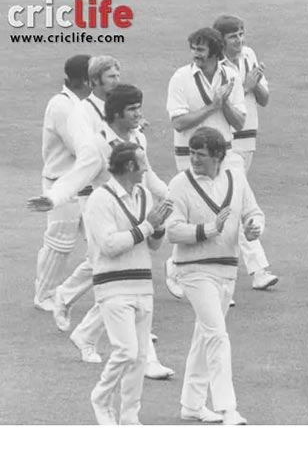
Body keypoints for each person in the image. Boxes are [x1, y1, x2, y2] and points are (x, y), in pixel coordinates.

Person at [27, 78, 174, 379]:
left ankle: (83, 332)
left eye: (138, 108)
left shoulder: (138, 140)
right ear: (116, 113)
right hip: (107, 219)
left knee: (120, 287)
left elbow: (150, 178)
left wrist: (176, 197)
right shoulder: (96, 145)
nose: (138, 114)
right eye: (132, 109)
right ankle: (147, 360)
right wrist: (52, 199)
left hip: (138, 214)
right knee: (123, 288)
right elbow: (75, 177)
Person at [167, 127, 260, 425]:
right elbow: (172, 230)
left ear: (218, 156)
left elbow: (253, 212)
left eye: (201, 155)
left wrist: (256, 225)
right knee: (217, 335)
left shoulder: (236, 178)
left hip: (227, 269)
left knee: (204, 335)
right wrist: (209, 229)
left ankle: (192, 405)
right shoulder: (179, 184)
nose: (194, 159)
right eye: (191, 153)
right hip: (193, 271)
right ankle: (226, 408)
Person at [87, 142, 173, 425]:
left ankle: (129, 417)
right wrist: (148, 226)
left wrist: (158, 228)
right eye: (143, 163)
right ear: (130, 167)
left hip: (142, 285)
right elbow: (110, 245)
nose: (147, 168)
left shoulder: (145, 194)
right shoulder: (101, 198)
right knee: (126, 351)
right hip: (112, 287)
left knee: (139, 357)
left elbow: (154, 245)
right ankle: (101, 398)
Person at [213, 15, 279, 291]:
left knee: (224, 205)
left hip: (249, 139)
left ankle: (176, 265)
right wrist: (247, 84)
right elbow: (221, 101)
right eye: (233, 36)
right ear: (221, 41)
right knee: (237, 204)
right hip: (228, 141)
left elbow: (264, 99)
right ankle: (258, 269)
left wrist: (257, 83)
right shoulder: (216, 66)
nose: (240, 41)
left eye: (242, 34)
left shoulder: (249, 55)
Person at [33, 54, 92, 311]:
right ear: (85, 80)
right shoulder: (61, 105)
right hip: (61, 183)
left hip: (89, 184)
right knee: (60, 245)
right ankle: (44, 295)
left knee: (103, 244)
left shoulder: (87, 103)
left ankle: (70, 294)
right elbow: (80, 147)